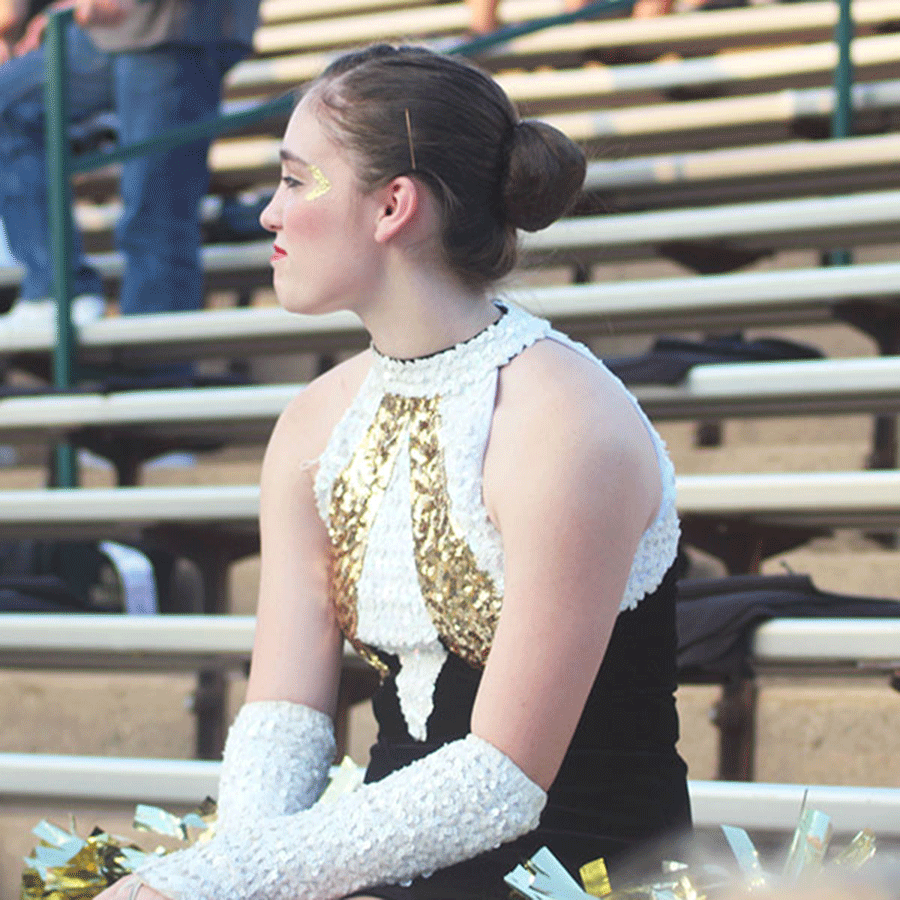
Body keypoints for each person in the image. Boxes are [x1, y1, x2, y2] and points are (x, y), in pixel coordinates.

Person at [95, 43, 691, 900]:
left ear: (392, 206)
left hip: (585, 876)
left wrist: (228, 877)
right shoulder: (313, 421)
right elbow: (285, 721)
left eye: (297, 181)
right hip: (374, 870)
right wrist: (228, 881)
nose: (269, 213)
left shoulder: (569, 423)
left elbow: (503, 777)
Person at [0, 0, 259, 331]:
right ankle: (55, 290)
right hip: (114, 33)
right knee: (7, 105)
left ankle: (154, 369)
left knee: (155, 217)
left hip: (176, 29)